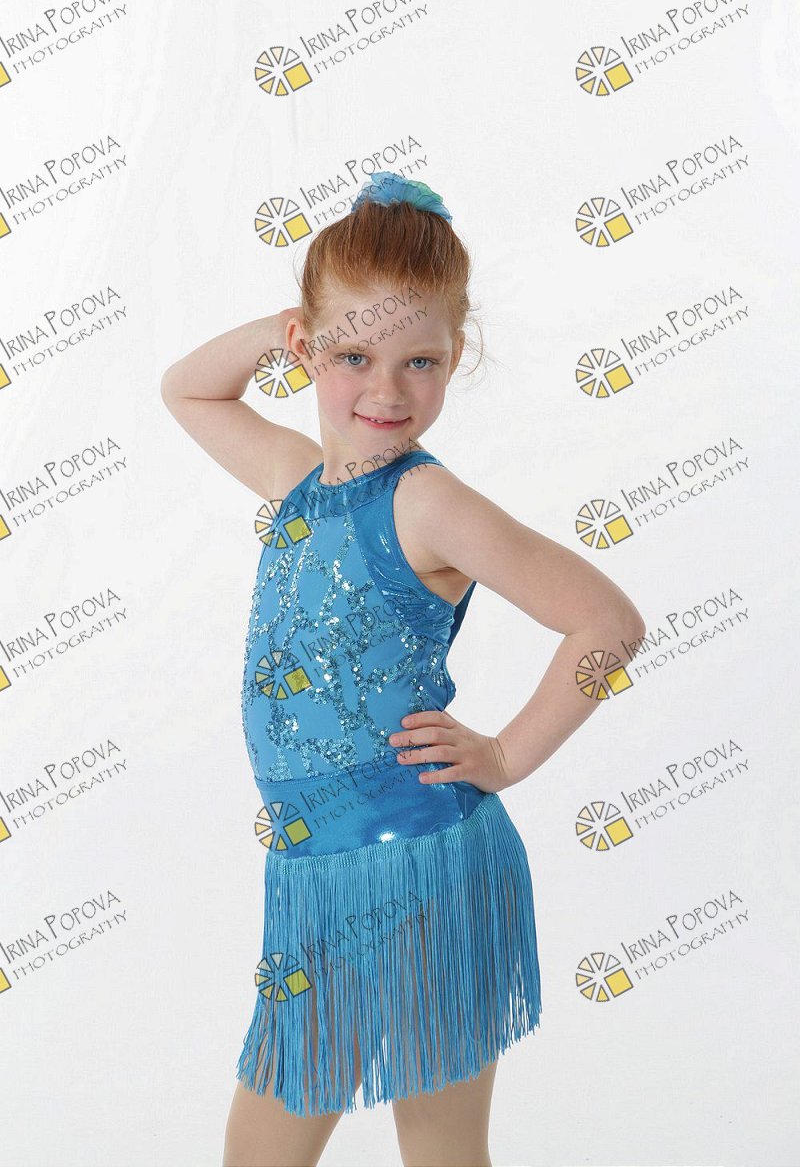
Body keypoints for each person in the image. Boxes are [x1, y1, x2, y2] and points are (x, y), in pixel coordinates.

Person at [161, 172, 646, 1167]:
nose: (385, 391)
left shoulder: (427, 505)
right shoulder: (295, 480)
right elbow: (187, 388)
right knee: (285, 1137)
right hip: (319, 867)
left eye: (418, 361)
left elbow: (606, 623)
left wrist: (506, 755)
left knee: (424, 1150)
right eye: (352, 356)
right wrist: (289, 331)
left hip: (420, 864)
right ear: (305, 347)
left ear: (454, 357)